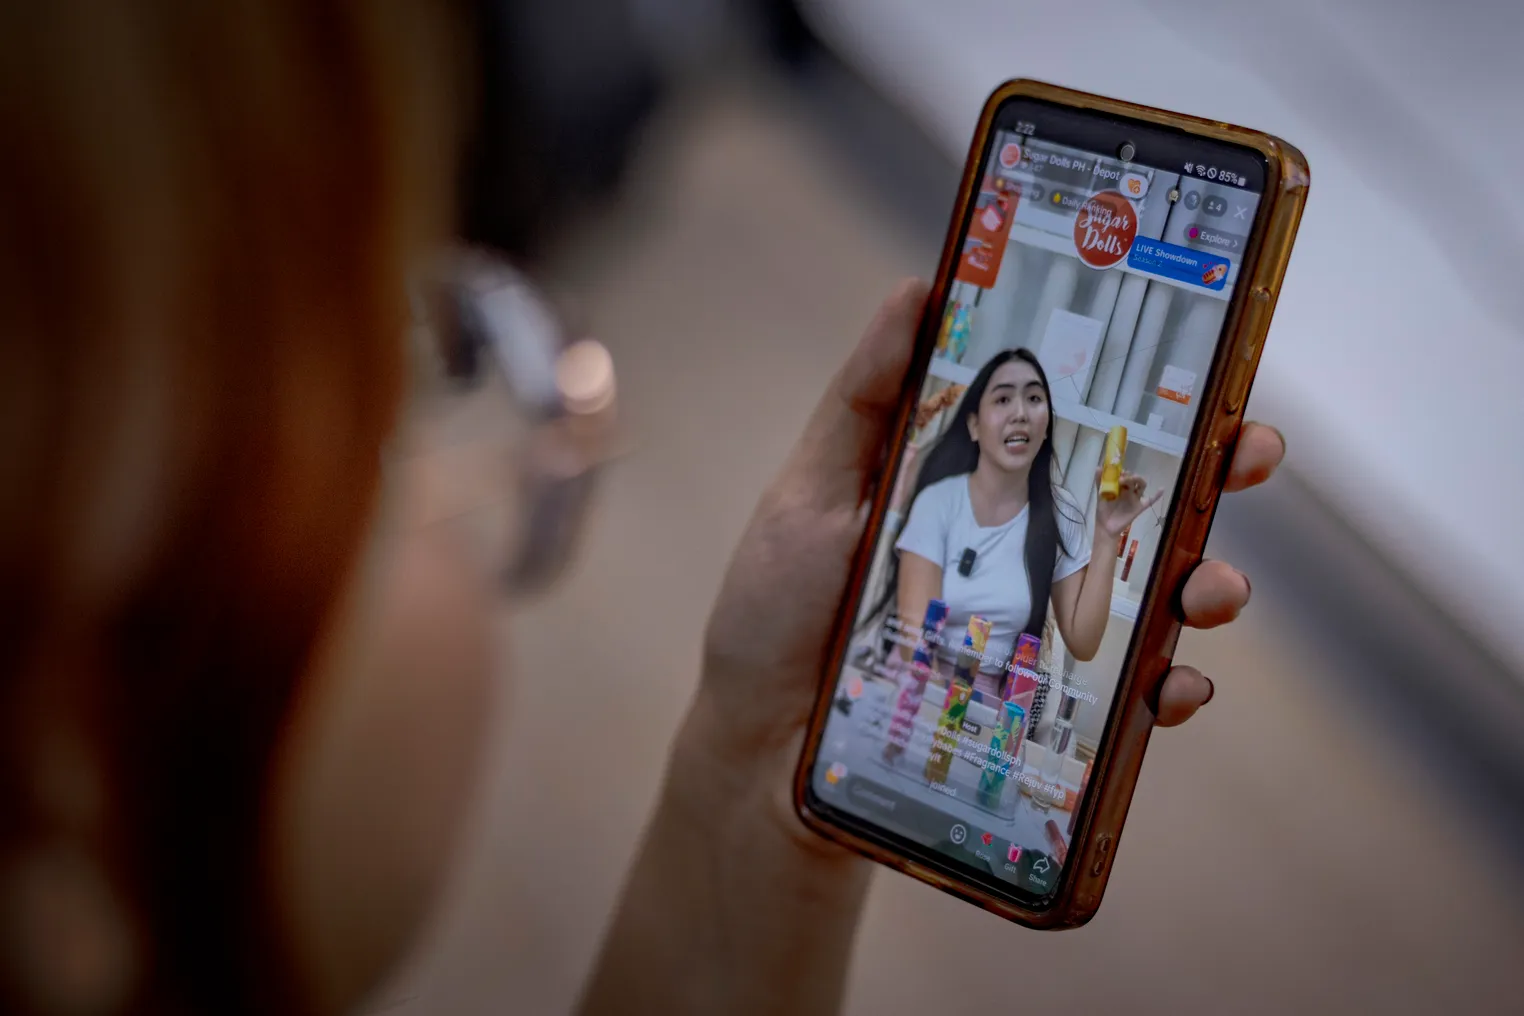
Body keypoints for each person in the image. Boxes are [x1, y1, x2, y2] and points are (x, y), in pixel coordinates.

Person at [0, 5, 1285, 1015]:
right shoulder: (935, 513)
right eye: (404, 385)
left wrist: (753, 774)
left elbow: (1069, 636)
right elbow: (916, 632)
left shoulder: (1055, 519)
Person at [888, 348, 1159, 701]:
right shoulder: (939, 501)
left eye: (1033, 398)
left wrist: (1108, 534)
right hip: (914, 692)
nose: (1019, 413)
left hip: (989, 713)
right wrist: (947, 712)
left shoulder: (1060, 512)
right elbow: (914, 639)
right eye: (1002, 399)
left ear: (1045, 427)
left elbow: (1083, 642)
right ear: (974, 425)